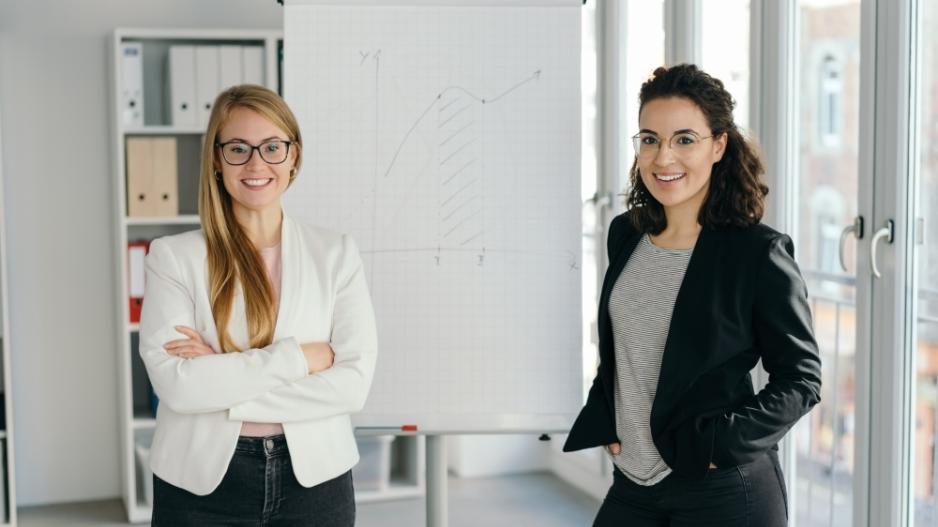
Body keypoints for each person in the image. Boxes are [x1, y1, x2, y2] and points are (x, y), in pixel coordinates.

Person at [563, 64, 822, 526]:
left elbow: (801, 380)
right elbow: (625, 342)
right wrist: (606, 410)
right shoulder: (627, 234)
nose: (664, 158)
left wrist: (717, 446)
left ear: (718, 145)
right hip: (634, 484)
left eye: (684, 139)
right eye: (649, 139)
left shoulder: (756, 253)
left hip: (721, 489)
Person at [138, 84, 377, 526]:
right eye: (238, 148)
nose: (256, 164)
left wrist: (222, 377)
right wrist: (301, 358)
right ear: (215, 157)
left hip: (316, 481)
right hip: (200, 485)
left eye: (272, 147)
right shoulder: (172, 257)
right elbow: (178, 387)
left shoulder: (336, 253)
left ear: (294, 156)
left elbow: (352, 386)